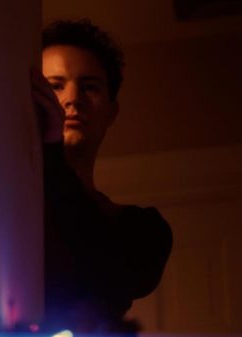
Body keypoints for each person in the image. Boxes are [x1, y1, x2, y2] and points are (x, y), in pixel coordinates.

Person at [30, 19, 173, 334]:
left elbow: (105, 273)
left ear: (112, 111)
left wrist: (53, 147)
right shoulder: (6, 204)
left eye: (89, 86)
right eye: (54, 85)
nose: (71, 99)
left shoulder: (142, 230)